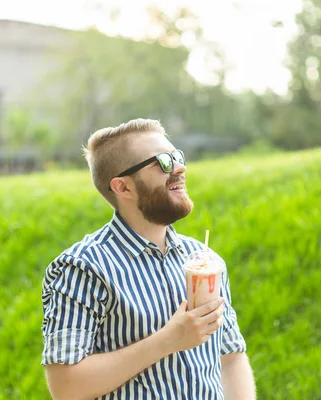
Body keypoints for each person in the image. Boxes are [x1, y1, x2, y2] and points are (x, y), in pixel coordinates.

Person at [40, 118, 256, 399]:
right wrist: (168, 340)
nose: (180, 168)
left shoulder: (205, 260)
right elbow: (66, 386)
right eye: (163, 162)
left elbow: (230, 357)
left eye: (177, 157)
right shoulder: (81, 268)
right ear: (124, 187)